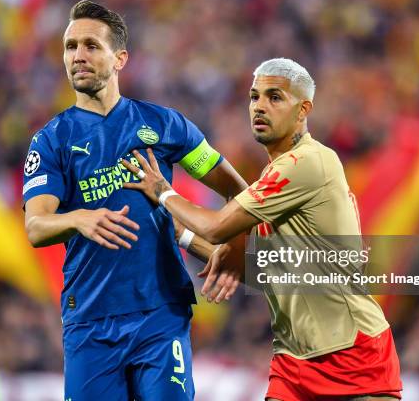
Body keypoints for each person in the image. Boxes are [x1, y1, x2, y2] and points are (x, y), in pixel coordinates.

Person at [122, 58, 403, 400]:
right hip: (292, 361)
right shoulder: (277, 177)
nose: (259, 106)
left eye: (275, 97)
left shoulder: (308, 163)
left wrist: (162, 192)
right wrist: (175, 231)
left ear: (303, 110)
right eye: (254, 97)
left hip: (352, 354)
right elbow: (264, 270)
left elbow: (215, 227)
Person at [21, 0, 247, 401]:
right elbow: (36, 226)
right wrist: (79, 219)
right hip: (90, 320)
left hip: (160, 315)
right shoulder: (52, 140)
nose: (78, 56)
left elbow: (238, 192)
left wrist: (232, 249)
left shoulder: (164, 125)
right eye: (70, 46)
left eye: (91, 45)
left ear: (120, 58)